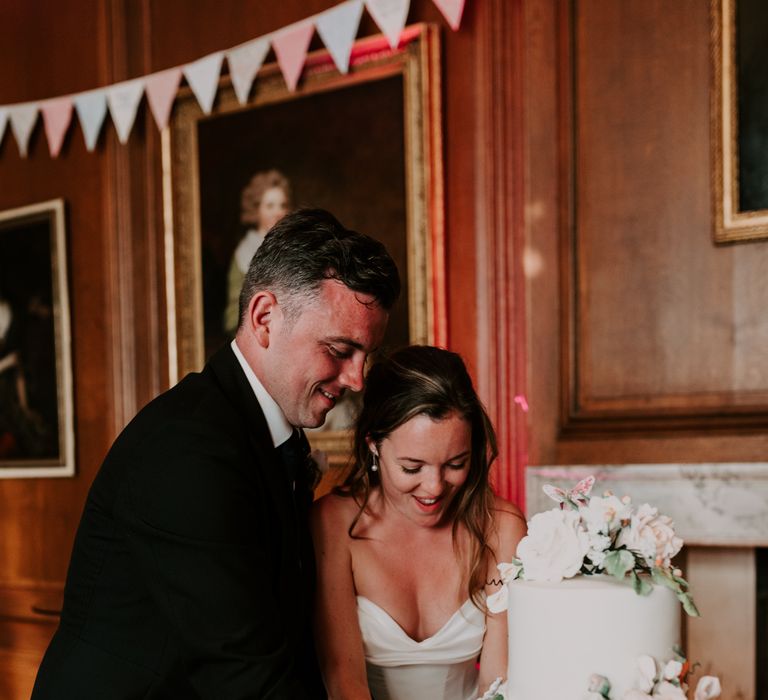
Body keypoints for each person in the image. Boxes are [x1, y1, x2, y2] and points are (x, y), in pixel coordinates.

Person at [32, 209, 401, 700]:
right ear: (264, 317)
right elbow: (246, 672)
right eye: (339, 349)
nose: (357, 379)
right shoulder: (187, 449)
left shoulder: (257, 432)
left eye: (365, 356)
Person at [311, 346, 527, 700]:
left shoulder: (501, 527)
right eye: (412, 467)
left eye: (456, 463)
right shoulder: (332, 524)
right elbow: (344, 681)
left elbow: (498, 681)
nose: (434, 486)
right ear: (375, 445)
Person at [223, 169, 291, 337]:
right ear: (256, 210)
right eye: (270, 206)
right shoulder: (245, 253)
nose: (278, 212)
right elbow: (233, 317)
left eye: (282, 205)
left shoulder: (292, 246)